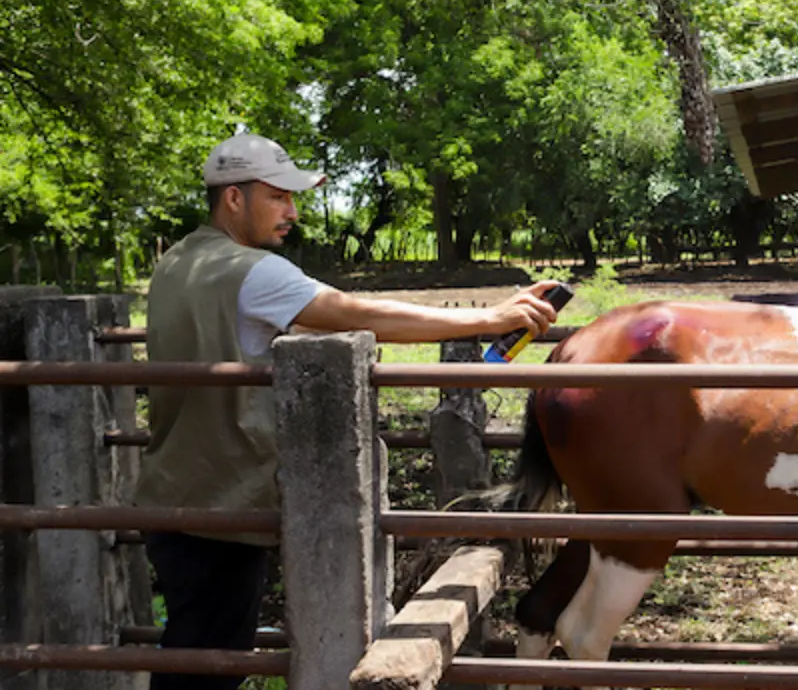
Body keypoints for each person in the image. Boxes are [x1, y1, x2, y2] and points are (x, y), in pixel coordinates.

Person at [133, 132, 560, 690]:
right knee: (209, 661)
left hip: (173, 493)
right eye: (278, 196)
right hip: (226, 496)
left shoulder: (177, 262)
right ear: (233, 199)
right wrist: (490, 318)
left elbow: (287, 327)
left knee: (191, 650)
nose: (292, 210)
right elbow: (354, 309)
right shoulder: (255, 272)